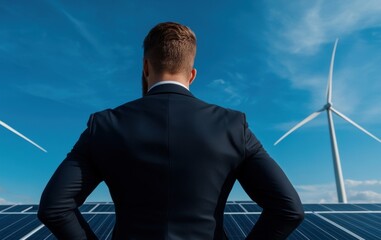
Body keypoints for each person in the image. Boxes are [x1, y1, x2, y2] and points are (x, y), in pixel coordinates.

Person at [38, 22, 304, 240]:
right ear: (192, 74)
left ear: (145, 67)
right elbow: (288, 210)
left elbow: (54, 208)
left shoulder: (105, 124)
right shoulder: (233, 125)